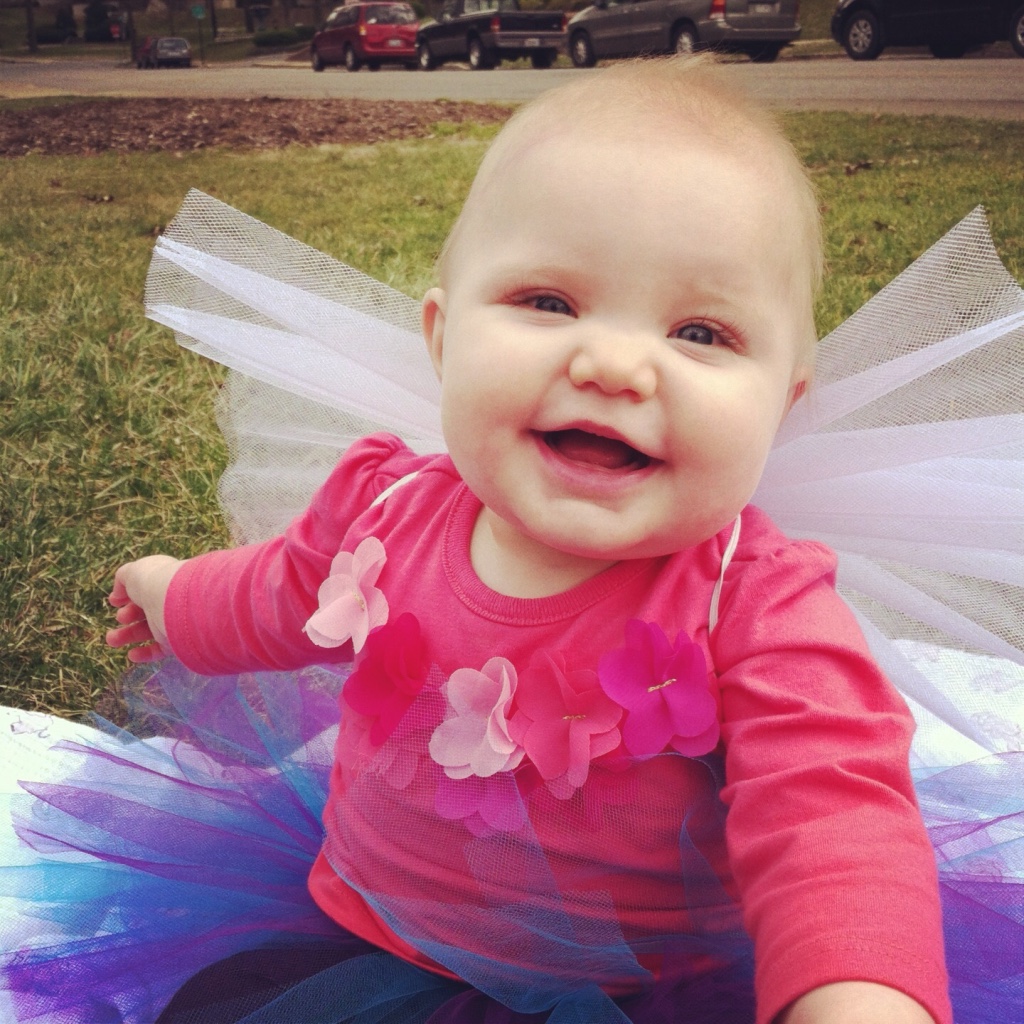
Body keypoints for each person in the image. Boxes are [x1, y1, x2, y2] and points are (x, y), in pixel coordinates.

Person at [2, 56, 1021, 1024]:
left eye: (700, 333)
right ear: (443, 339)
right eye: (548, 301)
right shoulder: (385, 506)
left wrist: (858, 995)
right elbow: (278, 592)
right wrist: (173, 593)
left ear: (782, 403)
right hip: (362, 945)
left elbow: (831, 821)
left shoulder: (750, 600)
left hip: (643, 989)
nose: (618, 364)